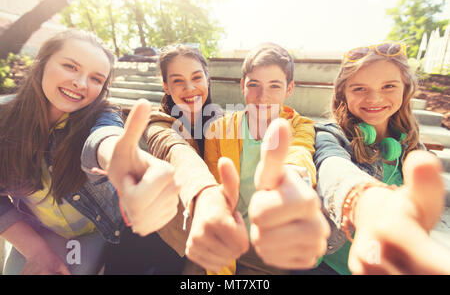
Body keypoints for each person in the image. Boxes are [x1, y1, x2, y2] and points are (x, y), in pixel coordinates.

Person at [0, 30, 180, 275]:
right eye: (70, 66)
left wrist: (117, 157)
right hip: (34, 231)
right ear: (42, 63)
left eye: (96, 79)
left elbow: (104, 137)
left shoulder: (102, 115)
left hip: (100, 231)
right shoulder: (4, 118)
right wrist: (37, 252)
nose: (81, 83)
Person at [186, 42, 330, 274]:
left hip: (271, 247)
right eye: (254, 85)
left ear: (289, 88)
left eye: (274, 86)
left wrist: (294, 177)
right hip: (226, 239)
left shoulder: (301, 126)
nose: (262, 97)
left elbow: (299, 155)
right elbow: (214, 186)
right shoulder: (219, 129)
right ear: (243, 85)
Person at [314, 42, 450, 274]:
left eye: (388, 86)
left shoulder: (414, 148)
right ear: (342, 94)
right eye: (359, 89)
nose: (374, 98)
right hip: (327, 267)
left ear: (405, 90)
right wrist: (363, 203)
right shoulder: (330, 135)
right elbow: (331, 166)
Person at [104, 44, 224, 274]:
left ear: (207, 79)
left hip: (188, 242)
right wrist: (207, 194)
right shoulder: (158, 122)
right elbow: (175, 151)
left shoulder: (223, 125)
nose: (189, 88)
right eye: (177, 80)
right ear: (166, 87)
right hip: (151, 233)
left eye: (197, 77)